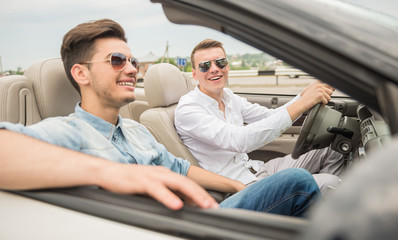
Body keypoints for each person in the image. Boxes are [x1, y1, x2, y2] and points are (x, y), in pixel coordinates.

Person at [0, 19, 320, 216]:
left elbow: (182, 168)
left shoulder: (137, 132)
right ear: (81, 73)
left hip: (191, 215)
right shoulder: (66, 132)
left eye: (132, 60)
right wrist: (109, 172)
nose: (131, 68)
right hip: (161, 228)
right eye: (116, 60)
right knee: (297, 182)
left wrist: (238, 186)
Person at [175, 39, 345, 195]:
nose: (214, 69)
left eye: (220, 62)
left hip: (258, 169)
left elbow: (269, 115)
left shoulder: (228, 96)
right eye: (205, 66)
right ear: (195, 74)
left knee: (332, 149)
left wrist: (303, 95)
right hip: (243, 187)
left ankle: (310, 211)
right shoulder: (188, 109)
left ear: (227, 66)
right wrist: (302, 104)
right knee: (331, 183)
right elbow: (240, 140)